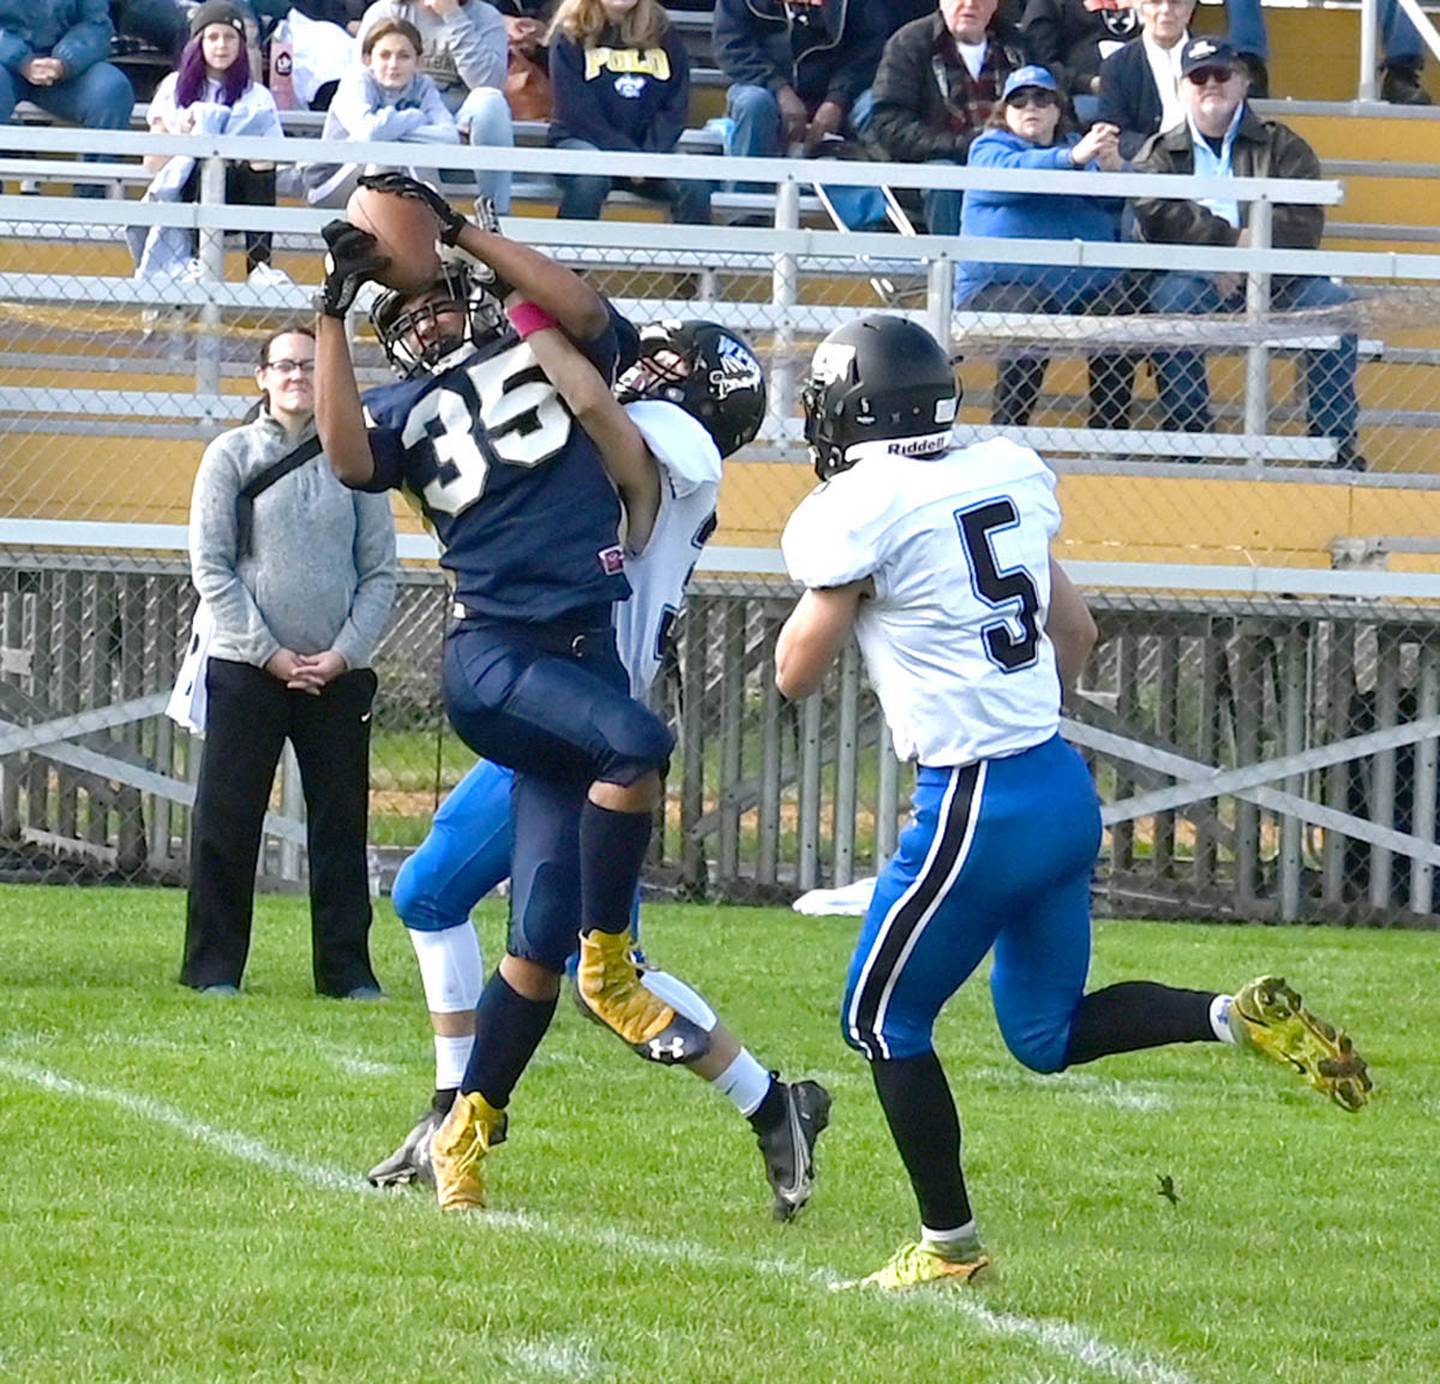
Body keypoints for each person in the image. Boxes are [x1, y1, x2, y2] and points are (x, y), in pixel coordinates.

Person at [774, 312, 1372, 1290]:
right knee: (1043, 1034)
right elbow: (1079, 627)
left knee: (880, 1023)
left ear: (851, 411)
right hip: (1055, 782)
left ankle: (949, 1246)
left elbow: (799, 671)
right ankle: (1233, 1016)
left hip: (974, 800)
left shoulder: (862, 504)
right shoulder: (1001, 470)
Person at [312, 174, 830, 1216]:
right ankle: (463, 1115)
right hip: (545, 680)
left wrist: (500, 286)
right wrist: (351, 306)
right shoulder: (446, 396)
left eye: (674, 364)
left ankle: (756, 1093)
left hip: (584, 687)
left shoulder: (670, 442)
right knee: (472, 910)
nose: (654, 362)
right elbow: (371, 446)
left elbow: (599, 387)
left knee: (557, 946)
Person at [182, 325, 397, 999]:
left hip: (336, 675)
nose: (298, 376)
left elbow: (381, 572)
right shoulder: (230, 455)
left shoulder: (356, 460)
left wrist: (342, 655)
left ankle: (346, 972)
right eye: (285, 365)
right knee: (228, 819)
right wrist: (269, 654)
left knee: (340, 824)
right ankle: (213, 968)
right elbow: (211, 567)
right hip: (248, 669)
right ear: (262, 377)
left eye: (310, 365)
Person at [1135, 37, 1364, 469]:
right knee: (1170, 302)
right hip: (1198, 279)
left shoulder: (1285, 145)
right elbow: (1156, 218)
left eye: (1221, 74)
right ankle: (1190, 440)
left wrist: (1250, 254)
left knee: (1335, 307)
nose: (1210, 85)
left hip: (1278, 278)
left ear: (1242, 81)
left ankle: (1335, 444)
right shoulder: (1161, 153)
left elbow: (1304, 224)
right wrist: (1225, 246)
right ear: (1182, 87)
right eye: (1198, 77)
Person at [955, 65, 1134, 431]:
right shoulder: (989, 147)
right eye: (1018, 101)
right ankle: (1007, 433)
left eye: (1042, 99)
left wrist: (1115, 169)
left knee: (1119, 307)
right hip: (994, 293)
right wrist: (1071, 160)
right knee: (1029, 309)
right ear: (1005, 112)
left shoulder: (1078, 151)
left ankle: (1110, 437)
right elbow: (1010, 178)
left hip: (1082, 291)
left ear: (1057, 110)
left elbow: (1114, 207)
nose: (1030, 107)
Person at [132, 2, 288, 287]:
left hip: (238, 195)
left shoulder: (257, 97)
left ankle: (259, 266)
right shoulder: (173, 88)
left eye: (230, 38)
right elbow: (152, 163)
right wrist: (184, 137)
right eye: (212, 37)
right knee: (200, 157)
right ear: (197, 43)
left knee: (260, 159)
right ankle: (192, 260)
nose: (221, 46)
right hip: (186, 191)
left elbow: (275, 159)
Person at [868, 0, 1030, 237]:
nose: (970, 4)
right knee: (944, 178)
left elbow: (1054, 107)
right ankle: (953, 269)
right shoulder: (909, 43)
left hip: (1008, 159)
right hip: (932, 164)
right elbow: (889, 123)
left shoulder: (1019, 46)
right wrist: (962, 145)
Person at [546, 0, 709, 225]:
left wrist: (648, 156)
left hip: (649, 150)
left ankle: (692, 258)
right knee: (590, 179)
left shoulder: (662, 31)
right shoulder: (570, 34)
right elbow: (577, 112)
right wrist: (628, 158)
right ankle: (565, 255)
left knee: (695, 185)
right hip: (582, 141)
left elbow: (676, 105)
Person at [356, 0, 514, 211]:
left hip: (459, 133)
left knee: (490, 101)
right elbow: (364, 80)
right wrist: (419, 126)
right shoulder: (385, 11)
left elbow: (488, 81)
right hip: (402, 129)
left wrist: (453, 15)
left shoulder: (486, 16)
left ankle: (495, 215)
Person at [305, 17, 459, 207]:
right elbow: (369, 133)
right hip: (331, 182)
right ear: (368, 59)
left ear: (418, 62)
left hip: (397, 177)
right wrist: (414, 117)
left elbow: (449, 137)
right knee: (386, 153)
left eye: (404, 56)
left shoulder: (423, 86)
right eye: (385, 55)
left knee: (408, 152)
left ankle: (435, 223)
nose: (393, 64)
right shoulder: (356, 81)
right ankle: (431, 219)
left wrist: (392, 130)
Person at [713, 0, 887, 163]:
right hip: (763, 88)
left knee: (877, 107)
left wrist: (837, 100)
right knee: (754, 103)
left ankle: (883, 193)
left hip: (843, 95)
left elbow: (869, 52)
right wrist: (779, 89)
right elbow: (730, 46)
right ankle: (746, 190)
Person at [0, 0, 136, 197]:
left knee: (113, 90)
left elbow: (97, 24)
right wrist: (20, 59)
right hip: (5, 67)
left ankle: (92, 206)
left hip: (68, 70)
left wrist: (65, 61)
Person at [1021, 0, 1137, 124]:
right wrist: (1087, 83)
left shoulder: (1150, 5)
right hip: (1081, 95)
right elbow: (1041, 62)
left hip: (1140, 87)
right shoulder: (1048, 4)